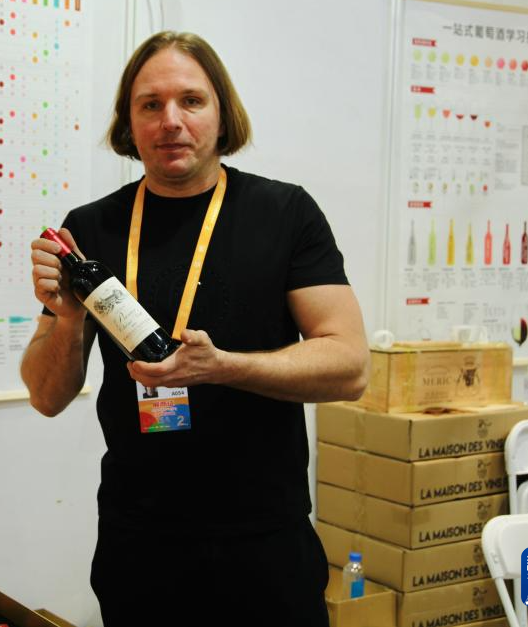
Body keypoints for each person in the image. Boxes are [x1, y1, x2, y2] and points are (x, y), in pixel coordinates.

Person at [20, 31, 369, 625]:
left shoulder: (285, 214)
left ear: (222, 112)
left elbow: (351, 366)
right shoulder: (91, 229)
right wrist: (70, 319)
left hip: (263, 540)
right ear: (129, 123)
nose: (170, 121)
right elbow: (45, 395)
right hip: (139, 543)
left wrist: (224, 368)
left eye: (191, 100)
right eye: (150, 104)